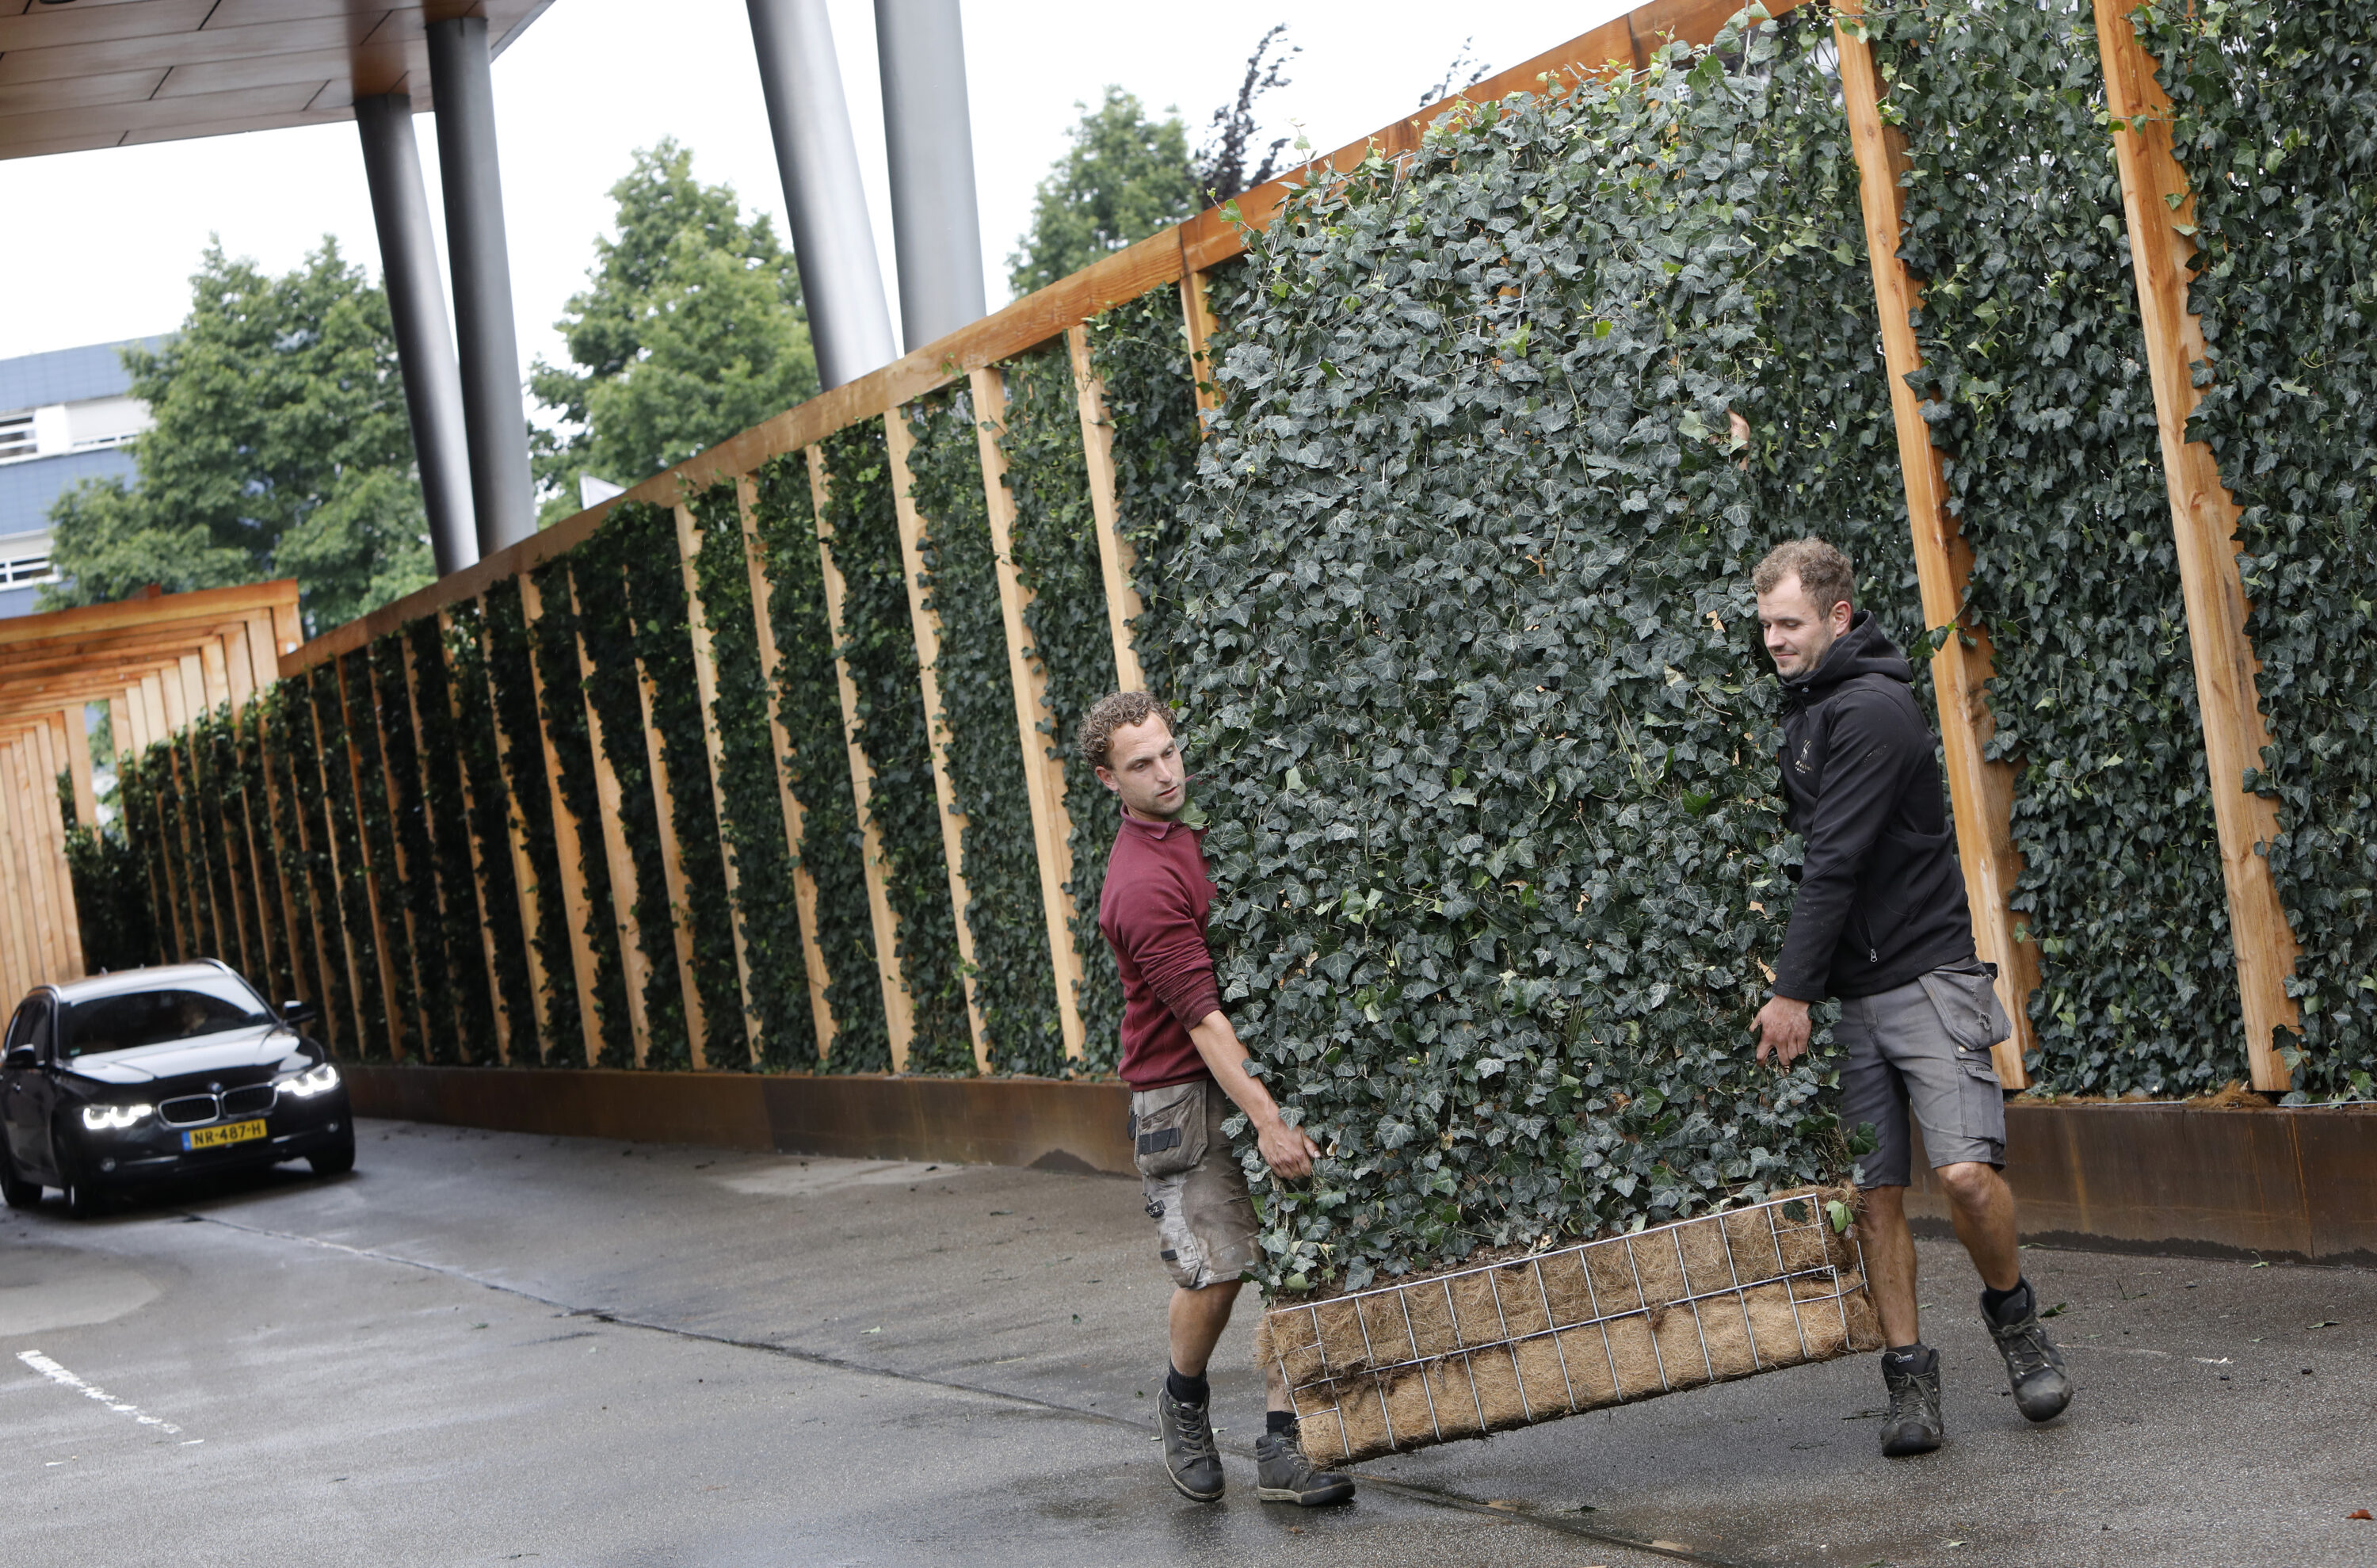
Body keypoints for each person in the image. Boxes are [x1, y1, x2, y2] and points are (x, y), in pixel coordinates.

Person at [1748, 538, 2073, 1458]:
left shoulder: (1874, 710)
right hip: (1856, 996)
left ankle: (2016, 1322)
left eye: (1789, 623)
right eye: (1765, 623)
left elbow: (1836, 860)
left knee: (1967, 1175)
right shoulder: (1806, 708)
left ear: (1838, 617)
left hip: (1927, 977)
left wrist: (1790, 992)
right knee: (1876, 1196)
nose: (1772, 639)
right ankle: (1909, 1382)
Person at [1078, 690, 1356, 1508]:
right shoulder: (1137, 884)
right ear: (1108, 778)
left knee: (1299, 1254)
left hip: (1247, 1062)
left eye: (1169, 751)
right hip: (1181, 1094)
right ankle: (1184, 1398)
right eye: (1141, 764)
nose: (1166, 772)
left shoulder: (1199, 830)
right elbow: (1200, 1021)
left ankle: (1283, 1442)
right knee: (1219, 1269)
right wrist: (1267, 1120)